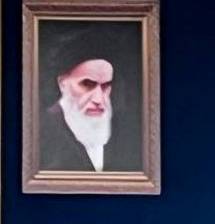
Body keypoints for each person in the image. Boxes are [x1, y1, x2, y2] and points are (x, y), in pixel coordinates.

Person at [39, 27, 141, 172]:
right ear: (62, 84)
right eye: (87, 84)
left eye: (105, 86)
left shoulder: (126, 132)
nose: (99, 99)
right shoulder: (41, 131)